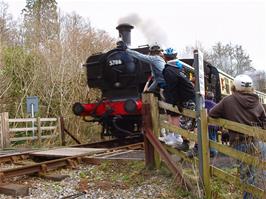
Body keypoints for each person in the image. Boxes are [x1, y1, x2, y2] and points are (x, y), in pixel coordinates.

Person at [209, 74, 266, 199]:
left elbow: (212, 113)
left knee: (246, 175)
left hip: (239, 143)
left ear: (235, 86)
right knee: (257, 173)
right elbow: (264, 121)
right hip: (256, 142)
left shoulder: (228, 100)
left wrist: (227, 117)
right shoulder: (257, 101)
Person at [162, 55, 196, 151]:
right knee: (189, 122)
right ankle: (186, 143)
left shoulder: (169, 71)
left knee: (186, 122)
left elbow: (173, 88)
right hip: (188, 98)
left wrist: (176, 101)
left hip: (186, 99)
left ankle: (186, 144)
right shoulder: (178, 71)